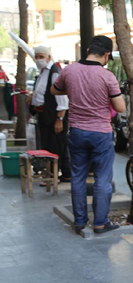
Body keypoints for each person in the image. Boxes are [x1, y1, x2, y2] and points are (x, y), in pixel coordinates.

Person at [51, 35, 125, 234]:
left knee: (78, 176)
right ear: (107, 54)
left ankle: (80, 221)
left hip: (76, 132)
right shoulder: (107, 76)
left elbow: (54, 90)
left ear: (88, 51)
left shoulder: (69, 70)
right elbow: (120, 107)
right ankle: (100, 223)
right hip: (101, 133)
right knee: (102, 179)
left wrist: (74, 90)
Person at [28, 46, 71, 183]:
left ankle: (53, 175)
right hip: (44, 114)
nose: (39, 60)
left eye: (42, 56)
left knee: (55, 145)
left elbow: (63, 99)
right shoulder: (42, 72)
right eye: (37, 57)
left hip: (54, 115)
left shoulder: (54, 72)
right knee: (54, 145)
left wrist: (60, 118)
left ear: (48, 57)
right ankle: (62, 173)